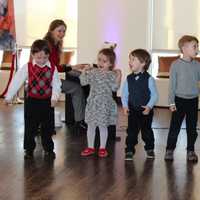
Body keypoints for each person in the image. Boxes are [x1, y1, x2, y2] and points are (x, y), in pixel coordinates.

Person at [5, 39, 61, 159]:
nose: (42, 60)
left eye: (45, 58)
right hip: (32, 101)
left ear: (48, 56)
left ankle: (49, 149)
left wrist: (55, 97)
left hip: (47, 102)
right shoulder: (27, 67)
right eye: (39, 57)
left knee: (48, 127)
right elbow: (17, 81)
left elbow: (56, 84)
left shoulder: (52, 68)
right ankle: (29, 149)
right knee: (30, 127)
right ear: (33, 55)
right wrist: (9, 96)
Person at [43, 19, 87, 132]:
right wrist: (72, 67)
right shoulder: (48, 45)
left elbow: (55, 66)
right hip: (47, 82)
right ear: (51, 31)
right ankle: (79, 121)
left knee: (77, 78)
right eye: (59, 31)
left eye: (64, 31)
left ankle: (79, 120)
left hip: (50, 78)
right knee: (77, 89)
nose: (62, 34)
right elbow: (53, 68)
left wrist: (73, 67)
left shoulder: (54, 44)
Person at [80, 48, 121, 158]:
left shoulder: (111, 75)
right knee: (91, 126)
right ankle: (90, 147)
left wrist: (119, 76)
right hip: (93, 103)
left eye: (104, 61)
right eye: (99, 60)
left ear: (111, 63)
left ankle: (102, 148)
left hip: (104, 105)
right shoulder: (93, 72)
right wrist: (84, 71)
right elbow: (83, 82)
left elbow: (114, 87)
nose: (101, 63)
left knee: (103, 126)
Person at [164, 35, 200, 162]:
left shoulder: (197, 65)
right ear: (184, 48)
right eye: (194, 46)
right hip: (179, 100)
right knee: (175, 126)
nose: (197, 49)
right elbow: (172, 85)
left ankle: (191, 150)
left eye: (197, 46)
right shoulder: (175, 65)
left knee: (192, 128)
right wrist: (171, 102)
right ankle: (169, 149)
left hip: (193, 101)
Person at [121, 49, 158, 160]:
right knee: (131, 132)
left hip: (145, 111)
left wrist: (149, 106)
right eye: (130, 59)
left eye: (133, 59)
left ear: (143, 63)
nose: (130, 62)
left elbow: (155, 95)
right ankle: (129, 150)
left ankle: (150, 149)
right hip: (133, 110)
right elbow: (124, 94)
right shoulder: (129, 78)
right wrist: (125, 106)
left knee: (146, 131)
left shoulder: (149, 79)